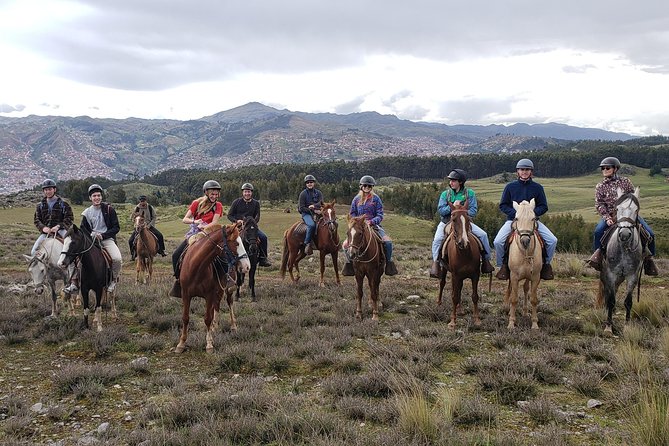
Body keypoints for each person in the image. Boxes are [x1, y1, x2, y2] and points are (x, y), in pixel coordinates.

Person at [586, 157, 658, 275]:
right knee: (598, 232)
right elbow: (599, 204)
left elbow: (633, 198)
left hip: (627, 215)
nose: (604, 170)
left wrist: (632, 212)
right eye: (602, 168)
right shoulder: (600, 186)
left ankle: (649, 260)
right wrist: (607, 218)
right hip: (611, 216)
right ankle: (597, 257)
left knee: (650, 234)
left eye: (607, 167)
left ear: (615, 169)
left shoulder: (626, 182)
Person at [493, 159, 557, 280]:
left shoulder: (538, 188)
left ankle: (546, 265)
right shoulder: (510, 187)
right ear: (517, 171)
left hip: (533, 221)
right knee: (498, 241)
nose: (524, 172)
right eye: (522, 169)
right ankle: (503, 266)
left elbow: (544, 206)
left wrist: (532, 214)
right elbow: (503, 205)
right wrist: (517, 214)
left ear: (531, 172)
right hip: (513, 221)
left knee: (552, 240)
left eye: (527, 170)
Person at [429, 169, 494, 278]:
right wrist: (453, 207)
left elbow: (473, 210)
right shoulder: (445, 194)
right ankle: (436, 264)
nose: (451, 183)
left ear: (461, 182)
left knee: (483, 235)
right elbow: (441, 210)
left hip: (464, 222)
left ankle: (486, 261)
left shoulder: (470, 193)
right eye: (450, 181)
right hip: (447, 222)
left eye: (454, 180)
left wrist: (461, 212)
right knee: (437, 240)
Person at [169, 180, 226, 297]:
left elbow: (214, 223)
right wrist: (195, 221)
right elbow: (185, 219)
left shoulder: (218, 206)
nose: (215, 196)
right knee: (176, 255)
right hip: (194, 233)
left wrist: (204, 226)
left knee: (223, 257)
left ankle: (224, 280)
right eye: (212, 194)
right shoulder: (196, 203)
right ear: (206, 193)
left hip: (210, 234)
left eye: (216, 194)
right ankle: (179, 280)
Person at [342, 175, 398, 276]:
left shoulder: (376, 199)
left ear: (372, 187)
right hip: (359, 226)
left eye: (369, 186)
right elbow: (352, 213)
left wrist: (371, 221)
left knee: (388, 242)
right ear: (361, 186)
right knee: (345, 244)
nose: (367, 188)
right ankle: (350, 263)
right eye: (365, 186)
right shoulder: (356, 199)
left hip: (374, 225)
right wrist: (356, 221)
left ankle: (388, 264)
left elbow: (380, 214)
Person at [79, 184, 122, 293]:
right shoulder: (86, 213)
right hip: (92, 241)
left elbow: (116, 227)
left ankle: (113, 280)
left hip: (107, 239)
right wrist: (91, 236)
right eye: (94, 196)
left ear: (101, 196)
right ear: (90, 198)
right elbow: (83, 230)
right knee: (78, 261)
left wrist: (103, 235)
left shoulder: (109, 209)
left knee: (117, 259)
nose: (96, 198)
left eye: (98, 195)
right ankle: (75, 282)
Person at [227, 183, 271, 267]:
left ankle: (263, 258)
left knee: (263, 237)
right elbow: (229, 215)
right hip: (237, 226)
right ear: (242, 193)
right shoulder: (236, 202)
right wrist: (237, 221)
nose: (247, 193)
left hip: (250, 227)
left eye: (249, 192)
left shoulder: (256, 203)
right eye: (245, 192)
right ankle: (228, 258)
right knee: (228, 239)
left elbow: (257, 217)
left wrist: (253, 223)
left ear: (251, 193)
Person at [32, 179, 74, 255]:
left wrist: (58, 226)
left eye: (50, 189)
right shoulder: (40, 205)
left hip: (61, 231)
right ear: (43, 191)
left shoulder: (64, 204)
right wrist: (43, 228)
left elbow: (69, 218)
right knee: (34, 252)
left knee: (70, 249)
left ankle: (73, 266)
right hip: (46, 232)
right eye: (46, 190)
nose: (48, 192)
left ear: (54, 189)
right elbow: (37, 220)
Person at [129, 195, 166, 260]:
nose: (142, 202)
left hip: (149, 226)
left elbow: (154, 217)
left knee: (160, 235)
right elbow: (132, 217)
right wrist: (136, 224)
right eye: (141, 201)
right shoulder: (137, 208)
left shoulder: (150, 207)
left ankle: (161, 250)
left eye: (143, 201)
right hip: (139, 227)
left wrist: (149, 225)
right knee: (130, 240)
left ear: (146, 201)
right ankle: (133, 253)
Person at [298, 174, 323, 256]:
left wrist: (315, 207)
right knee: (312, 225)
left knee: (330, 222)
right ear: (306, 184)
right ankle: (307, 243)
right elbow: (301, 208)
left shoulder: (318, 193)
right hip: (306, 214)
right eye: (308, 182)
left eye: (311, 182)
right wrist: (312, 210)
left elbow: (321, 203)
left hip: (318, 212)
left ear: (314, 183)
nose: (310, 184)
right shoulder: (303, 194)